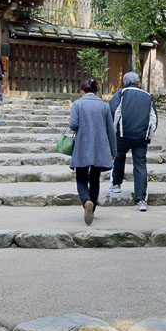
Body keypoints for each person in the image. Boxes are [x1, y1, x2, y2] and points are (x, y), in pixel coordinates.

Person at [68, 79, 117, 225]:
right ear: (95, 91)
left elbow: (73, 125)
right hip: (100, 147)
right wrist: (113, 151)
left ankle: (86, 201)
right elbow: (110, 129)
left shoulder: (78, 104)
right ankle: (92, 209)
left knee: (81, 177)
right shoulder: (104, 105)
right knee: (94, 178)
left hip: (83, 146)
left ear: (83, 91)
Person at [109, 72, 158, 212]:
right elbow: (153, 118)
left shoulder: (121, 94)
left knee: (118, 158)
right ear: (138, 82)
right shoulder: (147, 96)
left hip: (122, 135)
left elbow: (114, 112)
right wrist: (149, 135)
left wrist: (113, 132)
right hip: (141, 137)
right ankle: (141, 199)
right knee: (140, 165)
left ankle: (116, 185)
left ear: (124, 82)